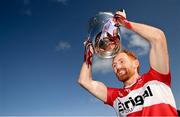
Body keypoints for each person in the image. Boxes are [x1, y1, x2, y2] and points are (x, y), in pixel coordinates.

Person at [78, 9, 178, 116]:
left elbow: (158, 37)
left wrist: (124, 23)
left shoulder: (156, 78)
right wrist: (88, 56)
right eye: (114, 65)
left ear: (136, 63)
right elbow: (84, 81)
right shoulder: (115, 97)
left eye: (121, 61)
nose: (117, 67)